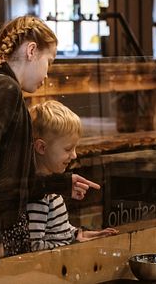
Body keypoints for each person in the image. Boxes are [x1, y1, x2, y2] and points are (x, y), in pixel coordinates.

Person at [0, 15, 100, 262]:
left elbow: (11, 182)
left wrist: (62, 183)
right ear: (32, 50)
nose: (47, 74)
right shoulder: (4, 89)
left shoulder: (4, 88)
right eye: (48, 62)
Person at [27, 100, 118, 251]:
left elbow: (57, 231)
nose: (74, 155)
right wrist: (71, 245)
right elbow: (33, 246)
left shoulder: (52, 188)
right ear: (41, 147)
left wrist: (77, 234)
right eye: (68, 149)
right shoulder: (39, 196)